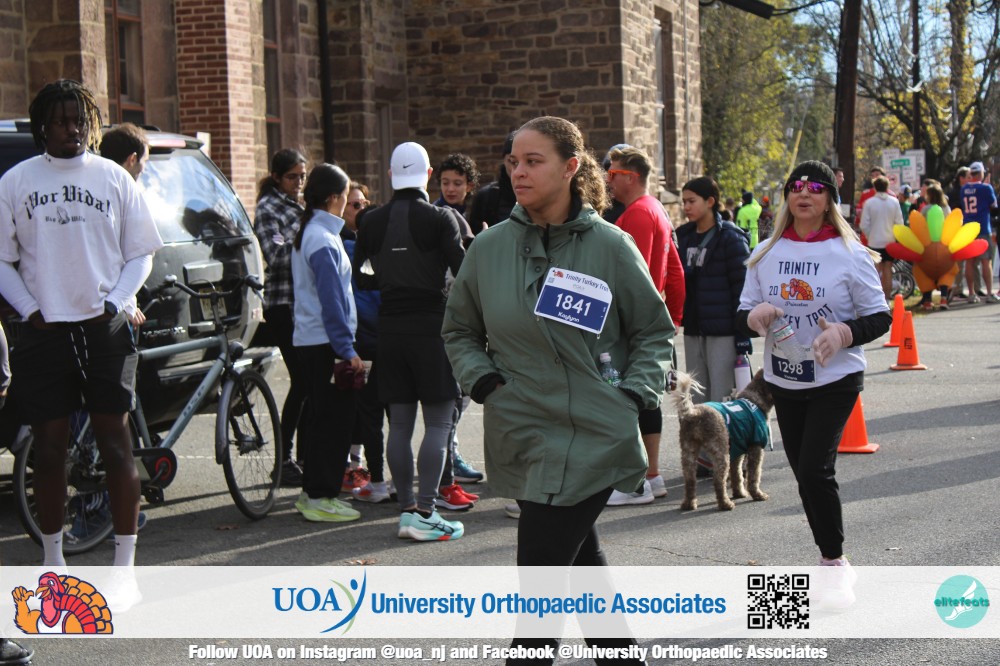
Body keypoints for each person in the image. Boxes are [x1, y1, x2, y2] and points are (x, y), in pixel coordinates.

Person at [443, 116, 673, 664]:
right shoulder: (488, 248)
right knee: (582, 571)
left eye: (533, 161)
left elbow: (653, 331)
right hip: (523, 432)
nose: (518, 172)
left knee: (539, 594)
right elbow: (459, 331)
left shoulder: (612, 246)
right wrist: (486, 382)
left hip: (595, 432)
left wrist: (632, 396)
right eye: (513, 162)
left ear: (570, 167)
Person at [0, 80, 163, 609]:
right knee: (49, 453)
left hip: (104, 330)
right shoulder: (16, 181)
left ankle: (124, 571)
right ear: (42, 126)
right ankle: (53, 564)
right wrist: (29, 308)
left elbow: (141, 252)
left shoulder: (113, 177)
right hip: (44, 331)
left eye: (79, 120)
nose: (72, 129)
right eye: (61, 121)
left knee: (116, 446)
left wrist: (117, 301)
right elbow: (1, 259)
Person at [736, 160, 891, 605]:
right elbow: (742, 313)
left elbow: (879, 317)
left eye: (816, 188)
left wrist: (844, 333)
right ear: (787, 196)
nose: (804, 193)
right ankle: (830, 558)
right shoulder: (765, 253)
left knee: (813, 470)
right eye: (796, 187)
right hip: (785, 378)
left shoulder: (850, 252)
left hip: (836, 377)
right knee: (804, 474)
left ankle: (834, 563)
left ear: (829, 200)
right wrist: (753, 317)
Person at [353, 141, 468, 541]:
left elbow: (359, 277)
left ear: (390, 175)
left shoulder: (371, 220)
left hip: (390, 328)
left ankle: (406, 512)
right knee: (439, 421)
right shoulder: (442, 217)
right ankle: (426, 511)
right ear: (429, 174)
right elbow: (463, 272)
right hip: (432, 326)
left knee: (399, 425)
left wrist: (388, 279)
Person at [603, 144, 683, 505]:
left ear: (630, 177)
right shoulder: (657, 210)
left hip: (632, 323)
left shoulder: (637, 213)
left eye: (613, 173)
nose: (608, 179)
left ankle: (633, 483)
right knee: (647, 398)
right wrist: (673, 318)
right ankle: (652, 475)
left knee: (627, 396)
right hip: (649, 320)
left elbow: (635, 277)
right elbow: (675, 272)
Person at [290, 164, 364, 523]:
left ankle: (314, 493)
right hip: (326, 341)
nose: (348, 201)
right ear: (334, 197)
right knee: (334, 422)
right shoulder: (322, 238)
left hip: (313, 339)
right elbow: (331, 300)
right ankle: (321, 496)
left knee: (322, 419)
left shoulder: (312, 232)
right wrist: (346, 348)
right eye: (346, 195)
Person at [253, 148, 308, 486]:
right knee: (301, 380)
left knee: (309, 383)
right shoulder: (268, 208)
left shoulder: (299, 205)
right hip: (282, 303)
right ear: (276, 177)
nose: (298, 183)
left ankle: (303, 457)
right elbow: (275, 255)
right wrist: (309, 243)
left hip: (304, 303)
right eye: (292, 177)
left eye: (302, 176)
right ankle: (283, 460)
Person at [676, 177, 751, 404]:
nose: (686, 207)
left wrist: (742, 336)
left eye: (692, 201)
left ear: (710, 201)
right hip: (693, 327)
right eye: (684, 202)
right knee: (695, 398)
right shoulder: (683, 236)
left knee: (722, 397)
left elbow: (742, 290)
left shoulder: (730, 238)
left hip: (723, 331)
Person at [341, 182, 390, 503]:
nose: (359, 210)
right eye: (353, 205)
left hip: (370, 343)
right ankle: (360, 470)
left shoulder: (362, 252)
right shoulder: (346, 249)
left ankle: (375, 477)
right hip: (366, 343)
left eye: (362, 205)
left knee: (370, 412)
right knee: (364, 411)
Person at [959, 162, 998, 303]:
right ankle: (989, 293)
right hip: (983, 228)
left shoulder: (964, 189)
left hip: (969, 229)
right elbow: (993, 205)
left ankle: (971, 293)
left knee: (970, 262)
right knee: (986, 261)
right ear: (981, 173)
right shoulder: (986, 188)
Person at [859, 176, 903, 301]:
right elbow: (899, 223)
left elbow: (864, 224)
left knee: (875, 272)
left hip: (874, 241)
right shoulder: (894, 202)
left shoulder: (869, 203)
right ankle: (887, 299)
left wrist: (870, 235)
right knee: (888, 269)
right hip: (889, 241)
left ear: (874, 187)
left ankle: (876, 299)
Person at [466, 132, 516, 234]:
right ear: (504, 160)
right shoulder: (486, 197)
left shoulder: (541, 194)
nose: (516, 168)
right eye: (512, 161)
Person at [917, 183, 953, 310]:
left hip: (928, 245)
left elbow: (920, 225)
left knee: (926, 273)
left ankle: (927, 301)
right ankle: (944, 298)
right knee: (944, 272)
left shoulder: (926, 209)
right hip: (943, 245)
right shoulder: (946, 208)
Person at [433, 153, 479, 219]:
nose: (450, 189)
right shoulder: (434, 214)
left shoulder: (465, 213)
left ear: (469, 186)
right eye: (445, 183)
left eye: (457, 183)